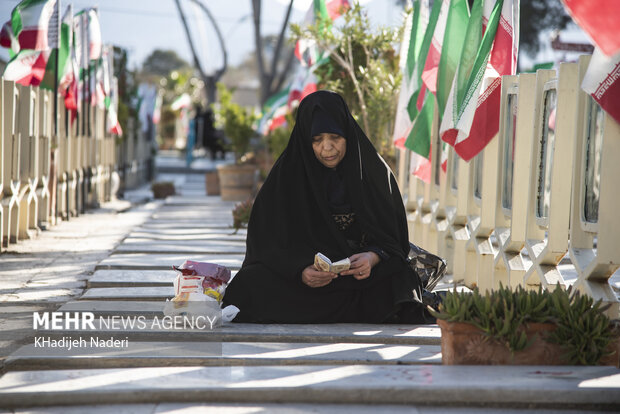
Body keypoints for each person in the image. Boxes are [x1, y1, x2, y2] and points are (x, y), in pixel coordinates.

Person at [223, 90, 432, 324]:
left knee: (401, 279)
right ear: (305, 139)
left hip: (359, 279)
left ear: (347, 134)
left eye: (335, 137)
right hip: (304, 283)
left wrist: (373, 257)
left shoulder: (374, 174)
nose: (327, 148)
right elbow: (265, 245)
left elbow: (394, 242)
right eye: (317, 140)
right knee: (249, 283)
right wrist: (300, 270)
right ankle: (357, 310)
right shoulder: (286, 177)